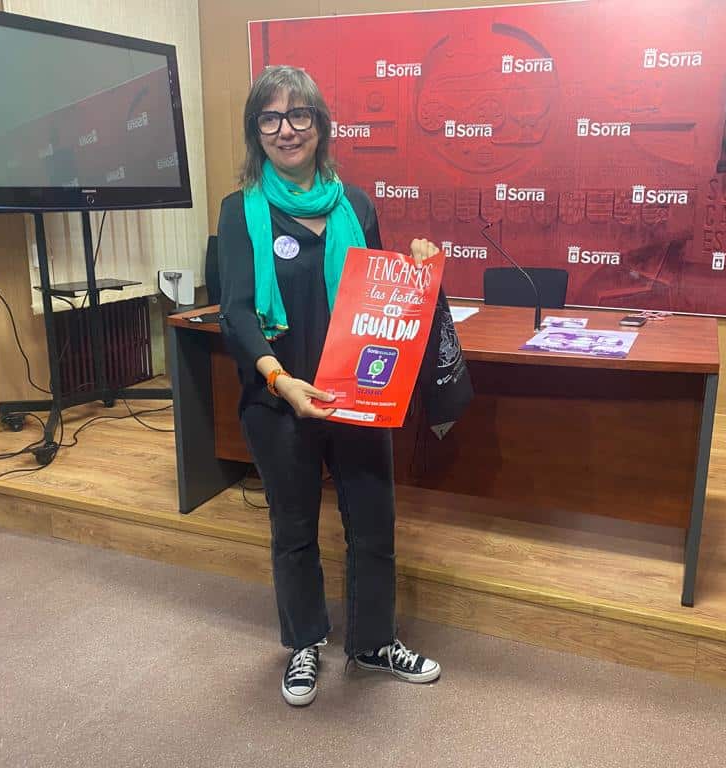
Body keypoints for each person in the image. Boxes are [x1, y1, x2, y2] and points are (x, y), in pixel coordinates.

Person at [217, 65, 443, 707]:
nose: (285, 130)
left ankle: (373, 642)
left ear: (320, 125)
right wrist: (281, 380)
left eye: (299, 115)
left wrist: (417, 272)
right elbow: (236, 313)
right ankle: (305, 642)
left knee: (373, 524)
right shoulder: (240, 212)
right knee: (293, 527)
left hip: (356, 395)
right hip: (279, 397)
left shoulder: (358, 207)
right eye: (269, 118)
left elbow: (380, 297)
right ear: (255, 131)